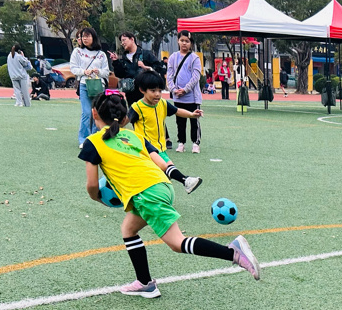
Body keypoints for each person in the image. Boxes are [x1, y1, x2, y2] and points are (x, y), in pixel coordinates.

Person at [79, 91, 259, 298]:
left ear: (94, 113)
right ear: (125, 117)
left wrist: (97, 198)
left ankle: (233, 252)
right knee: (128, 229)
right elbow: (162, 164)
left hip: (146, 194)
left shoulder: (93, 142)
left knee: (177, 243)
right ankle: (145, 283)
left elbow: (92, 184)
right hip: (163, 186)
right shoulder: (135, 136)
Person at [128, 70, 204, 170]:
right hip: (146, 150)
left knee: (167, 172)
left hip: (161, 149)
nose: (157, 94)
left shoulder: (162, 103)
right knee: (169, 170)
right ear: (142, 90)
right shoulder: (137, 108)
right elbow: (124, 121)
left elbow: (177, 111)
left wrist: (191, 114)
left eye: (160, 91)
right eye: (153, 91)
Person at [70, 26, 109, 148]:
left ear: (93, 37)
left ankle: (95, 137)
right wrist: (84, 72)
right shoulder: (77, 51)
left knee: (97, 112)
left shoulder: (101, 54)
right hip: (84, 84)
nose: (84, 39)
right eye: (83, 36)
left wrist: (98, 71)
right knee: (86, 113)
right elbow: (73, 68)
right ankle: (83, 139)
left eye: (87, 36)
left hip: (98, 86)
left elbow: (106, 71)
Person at [167, 31, 202, 153]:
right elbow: (169, 76)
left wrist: (186, 89)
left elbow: (196, 77)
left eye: (187, 41)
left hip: (192, 97)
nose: (184, 43)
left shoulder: (195, 58)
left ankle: (195, 143)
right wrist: (173, 89)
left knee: (194, 120)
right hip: (178, 97)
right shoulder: (173, 57)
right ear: (178, 41)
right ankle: (181, 142)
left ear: (191, 43)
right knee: (180, 121)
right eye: (182, 40)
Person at [108, 32, 161, 106]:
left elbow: (159, 68)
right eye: (121, 41)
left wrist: (146, 67)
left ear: (132, 39)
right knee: (133, 112)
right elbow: (119, 74)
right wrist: (116, 61)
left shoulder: (145, 54)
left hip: (146, 92)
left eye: (124, 40)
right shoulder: (124, 58)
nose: (122, 43)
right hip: (130, 95)